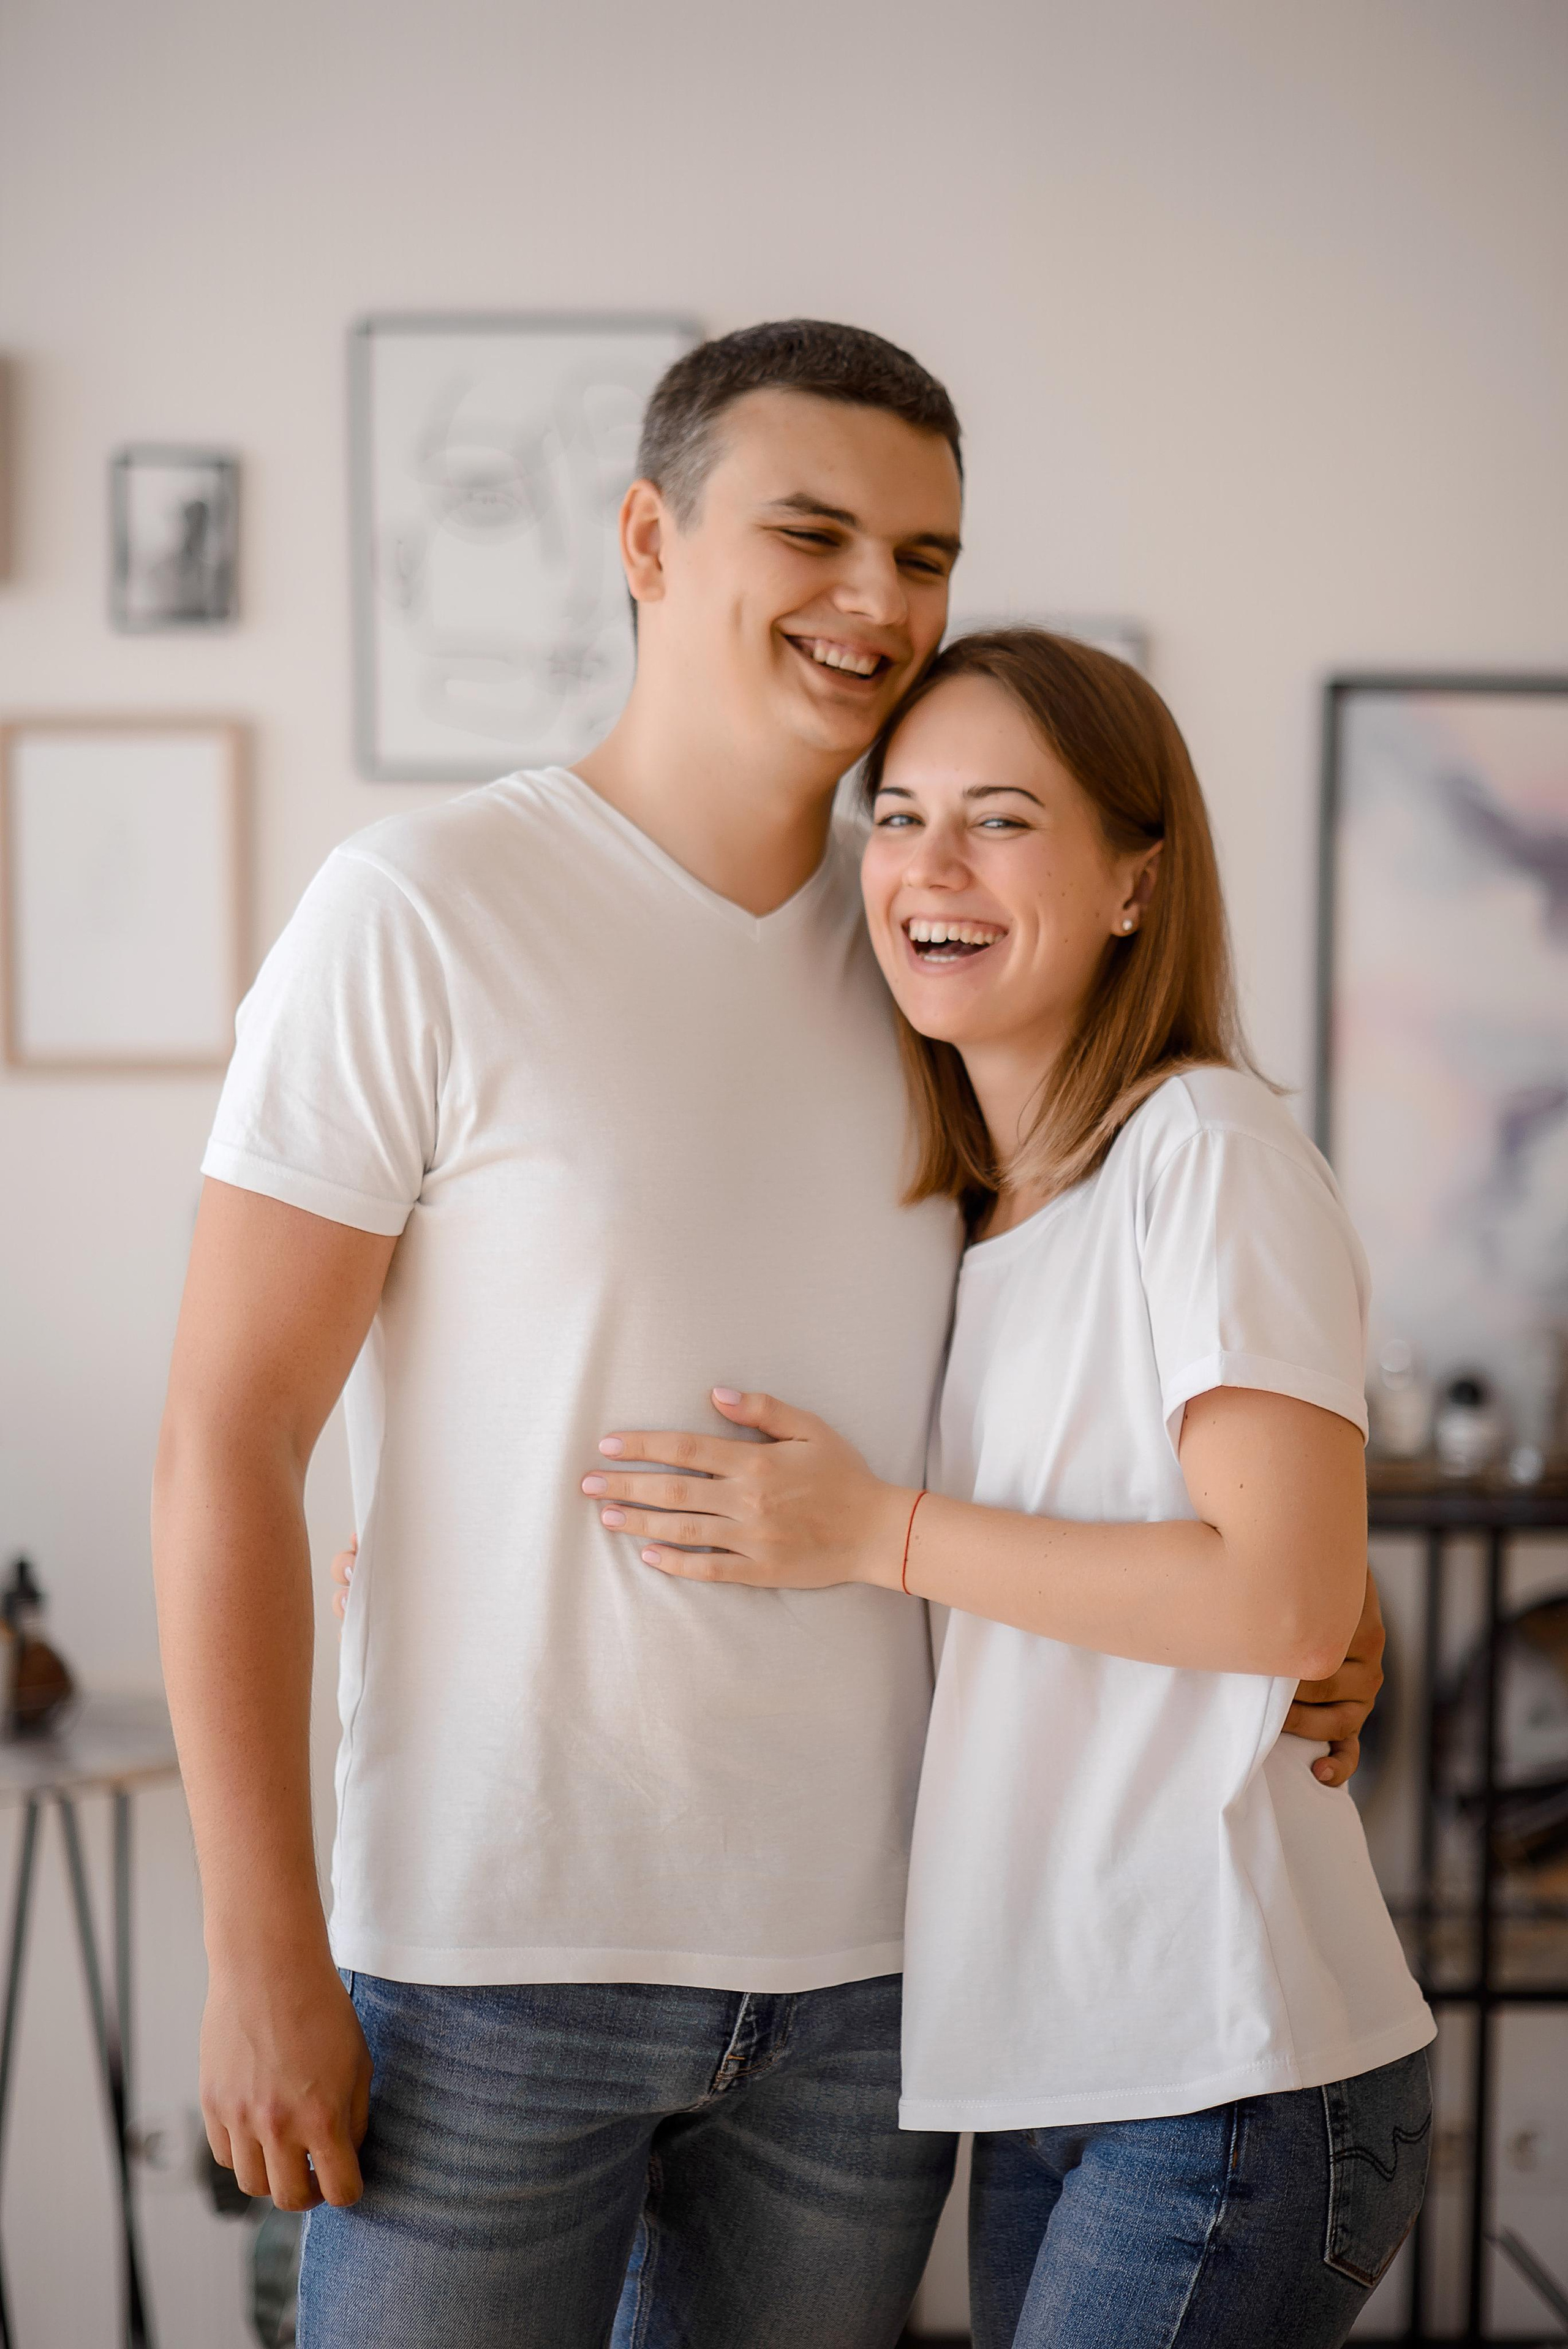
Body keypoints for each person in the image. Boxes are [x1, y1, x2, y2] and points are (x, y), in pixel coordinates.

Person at [153, 320, 1384, 2349]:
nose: (879, 602)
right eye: (814, 533)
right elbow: (226, 1439)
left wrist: (1322, 1603)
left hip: (874, 1986)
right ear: (648, 537)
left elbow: (1120, 1357)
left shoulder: (932, 944)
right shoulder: (419, 909)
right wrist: (258, 1937)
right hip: (487, 1967)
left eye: (926, 554)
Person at [581, 629, 1433, 2348]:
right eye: (895, 816)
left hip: (1228, 2062)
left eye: (1002, 819)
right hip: (1062, 2058)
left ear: (1136, 879)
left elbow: (1281, 1594)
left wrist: (871, 1530)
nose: (928, 868)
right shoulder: (983, 1224)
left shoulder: (1204, 1151)